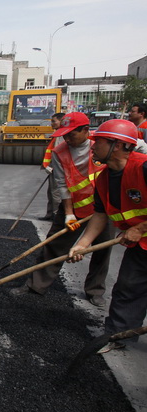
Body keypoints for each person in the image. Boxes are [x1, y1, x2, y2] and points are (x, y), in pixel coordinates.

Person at [10, 112, 113, 306]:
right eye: (63, 134)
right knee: (54, 245)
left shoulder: (100, 147)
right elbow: (62, 185)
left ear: (85, 130)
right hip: (74, 207)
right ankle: (35, 285)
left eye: (71, 134)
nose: (66, 139)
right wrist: (68, 214)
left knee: (102, 250)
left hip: (104, 209)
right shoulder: (60, 152)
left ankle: (95, 291)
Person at [68, 119, 147, 353]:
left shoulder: (143, 168)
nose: (92, 147)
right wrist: (82, 244)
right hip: (140, 247)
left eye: (98, 142)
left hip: (140, 235)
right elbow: (100, 215)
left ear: (118, 145)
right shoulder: (104, 178)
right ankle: (118, 335)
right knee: (127, 288)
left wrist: (140, 228)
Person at [40, 112, 66, 220]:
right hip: (51, 168)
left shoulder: (62, 136)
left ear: (62, 121)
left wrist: (54, 167)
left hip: (57, 170)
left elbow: (59, 154)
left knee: (56, 193)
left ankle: (57, 216)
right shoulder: (57, 135)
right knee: (50, 193)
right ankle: (50, 214)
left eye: (54, 121)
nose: (52, 124)